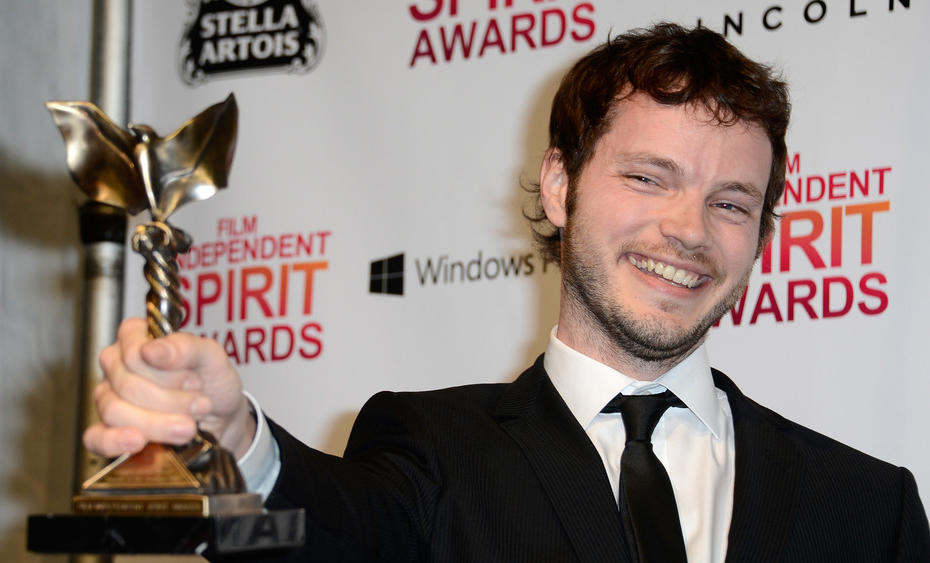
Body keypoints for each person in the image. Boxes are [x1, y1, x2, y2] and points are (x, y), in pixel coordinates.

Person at [85, 23, 930, 562]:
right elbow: (340, 530)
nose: (689, 229)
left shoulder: (869, 505)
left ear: (762, 236)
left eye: (731, 203)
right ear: (560, 187)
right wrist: (239, 444)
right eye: (647, 176)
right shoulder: (433, 450)